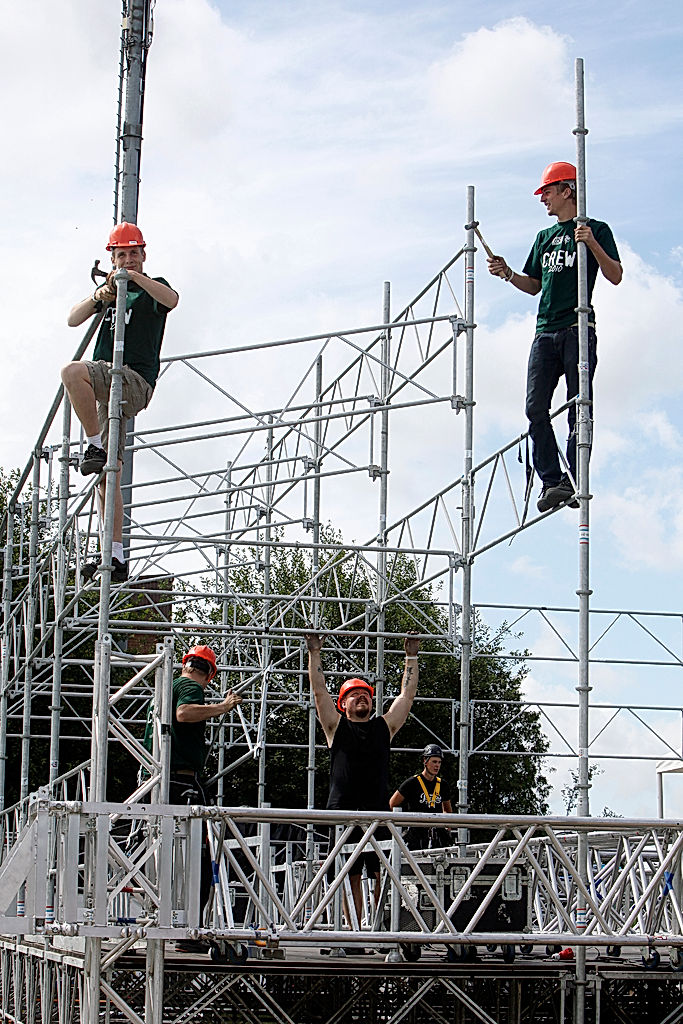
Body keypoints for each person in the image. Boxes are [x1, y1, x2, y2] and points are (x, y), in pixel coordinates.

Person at [487, 161, 622, 513]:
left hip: (578, 327)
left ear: (567, 190)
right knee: (535, 408)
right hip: (545, 331)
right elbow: (533, 286)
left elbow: (615, 275)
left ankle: (577, 480)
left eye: (547, 191)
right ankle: (553, 481)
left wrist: (590, 242)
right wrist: (508, 274)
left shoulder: (596, 228)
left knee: (579, 406)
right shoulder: (543, 238)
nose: (543, 198)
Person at [62, 222, 178, 582]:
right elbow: (72, 319)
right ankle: (113, 556)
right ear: (112, 258)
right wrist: (102, 294)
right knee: (105, 477)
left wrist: (133, 279)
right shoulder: (111, 293)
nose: (128, 259)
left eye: (133, 253)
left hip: (132, 380)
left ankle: (93, 444)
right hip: (106, 380)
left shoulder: (152, 289)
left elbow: (172, 300)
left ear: (143, 255)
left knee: (71, 372)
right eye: (121, 255)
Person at [306, 631, 421, 936]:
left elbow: (406, 697)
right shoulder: (336, 727)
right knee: (349, 874)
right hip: (343, 812)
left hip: (376, 812)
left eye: (366, 694)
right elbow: (319, 693)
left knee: (381, 872)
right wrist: (314, 653)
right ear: (343, 703)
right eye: (354, 695)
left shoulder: (384, 727)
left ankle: (381, 929)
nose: (362, 697)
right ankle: (353, 931)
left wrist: (411, 657)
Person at [142, 644, 242, 954]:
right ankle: (191, 927)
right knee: (201, 853)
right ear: (210, 673)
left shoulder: (166, 688)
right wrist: (222, 707)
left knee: (166, 853)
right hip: (179, 780)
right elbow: (184, 713)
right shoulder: (188, 686)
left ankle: (165, 920)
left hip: (159, 779)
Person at [389, 744, 453, 850]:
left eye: (439, 762)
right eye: (434, 762)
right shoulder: (412, 782)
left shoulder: (443, 784)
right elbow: (393, 804)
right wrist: (405, 822)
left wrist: (447, 827)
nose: (437, 766)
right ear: (425, 761)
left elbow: (447, 810)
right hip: (416, 834)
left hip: (437, 835)